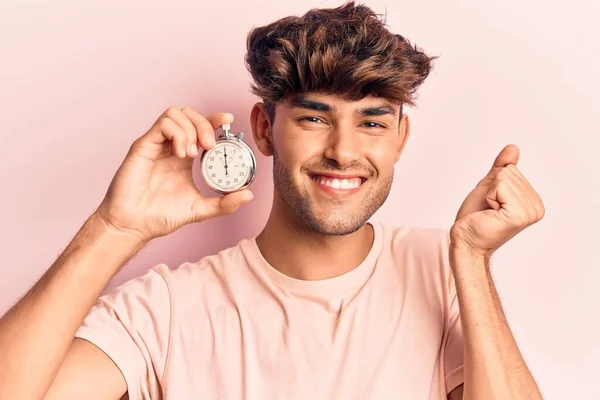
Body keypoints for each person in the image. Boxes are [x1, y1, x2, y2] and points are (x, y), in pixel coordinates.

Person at [0, 2, 545, 399]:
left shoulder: (445, 271)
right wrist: (114, 229)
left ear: (400, 139)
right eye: (314, 118)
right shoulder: (164, 310)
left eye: (373, 122)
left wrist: (472, 262)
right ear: (263, 130)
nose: (343, 151)